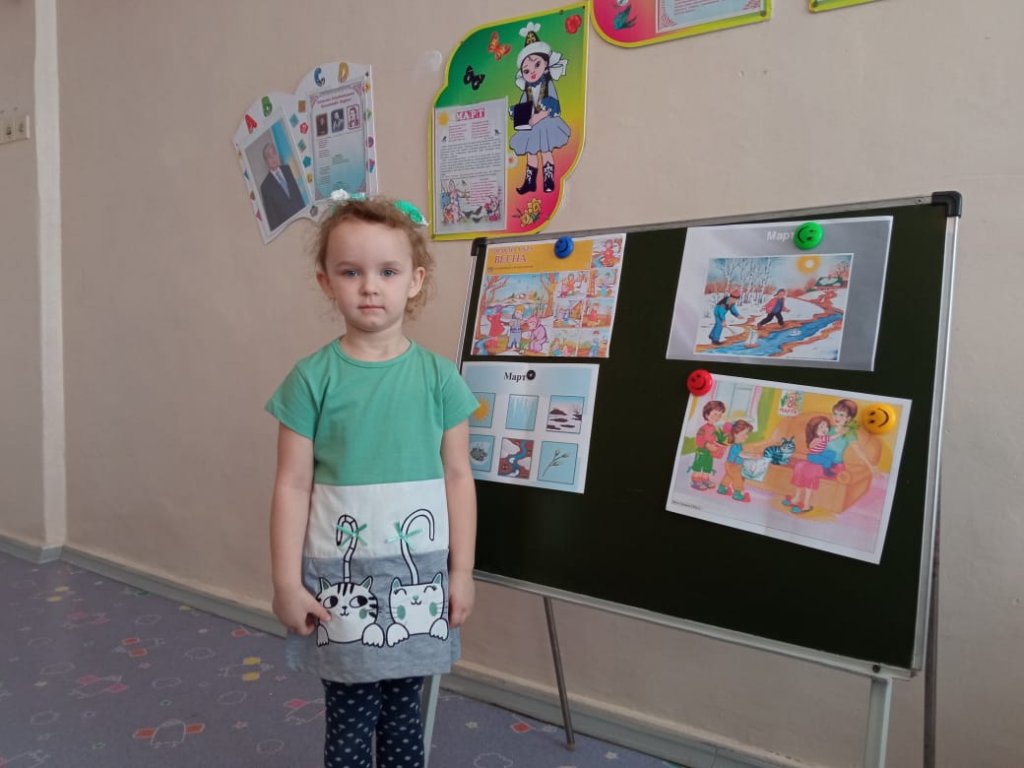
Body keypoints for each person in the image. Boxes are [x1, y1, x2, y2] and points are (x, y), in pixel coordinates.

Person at [266, 197, 479, 768]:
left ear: (415, 281)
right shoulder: (310, 380)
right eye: (350, 272)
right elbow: (291, 487)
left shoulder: (440, 380)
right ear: (326, 282)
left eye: (387, 271)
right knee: (351, 720)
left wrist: (461, 572)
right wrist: (285, 583)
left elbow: (459, 478)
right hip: (341, 587)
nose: (369, 287)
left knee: (404, 714)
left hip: (419, 584)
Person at [509, 22, 570, 195]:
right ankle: (530, 182)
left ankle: (548, 179)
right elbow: (523, 105)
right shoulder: (527, 90)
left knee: (546, 150)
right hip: (531, 125)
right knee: (531, 153)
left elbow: (553, 106)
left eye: (537, 65)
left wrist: (539, 116)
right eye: (526, 70)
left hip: (545, 123)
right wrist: (518, 113)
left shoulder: (548, 84)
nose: (532, 72)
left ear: (545, 65)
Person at [784, 415, 831, 514]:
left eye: (826, 426)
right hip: (813, 460)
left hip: (821, 462)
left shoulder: (826, 438)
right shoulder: (816, 439)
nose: (824, 429)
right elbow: (811, 447)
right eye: (821, 427)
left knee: (810, 472)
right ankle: (797, 497)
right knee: (800, 466)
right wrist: (816, 441)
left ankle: (806, 504)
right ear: (814, 429)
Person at [259, 142, 305, 231]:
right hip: (287, 228)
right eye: (269, 156)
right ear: (266, 161)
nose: (273, 158)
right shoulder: (265, 187)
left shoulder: (287, 169)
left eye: (274, 154)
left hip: (302, 216)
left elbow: (298, 195)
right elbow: (272, 217)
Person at [691, 400, 726, 490]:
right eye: (715, 414)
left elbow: (715, 439)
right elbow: (698, 440)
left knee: (708, 465)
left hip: (710, 453)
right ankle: (696, 480)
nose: (717, 417)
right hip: (702, 451)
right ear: (707, 415)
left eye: (720, 415)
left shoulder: (715, 428)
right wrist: (707, 445)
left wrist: (717, 445)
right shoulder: (702, 428)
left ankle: (705, 479)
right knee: (699, 465)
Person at [718, 419, 754, 502]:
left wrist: (749, 454)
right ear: (735, 434)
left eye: (747, 434)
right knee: (738, 479)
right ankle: (738, 493)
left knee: (729, 476)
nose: (747, 437)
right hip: (733, 465)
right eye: (745, 434)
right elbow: (741, 454)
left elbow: (741, 453)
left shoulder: (738, 445)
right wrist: (752, 456)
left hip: (732, 465)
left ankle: (722, 488)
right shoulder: (735, 446)